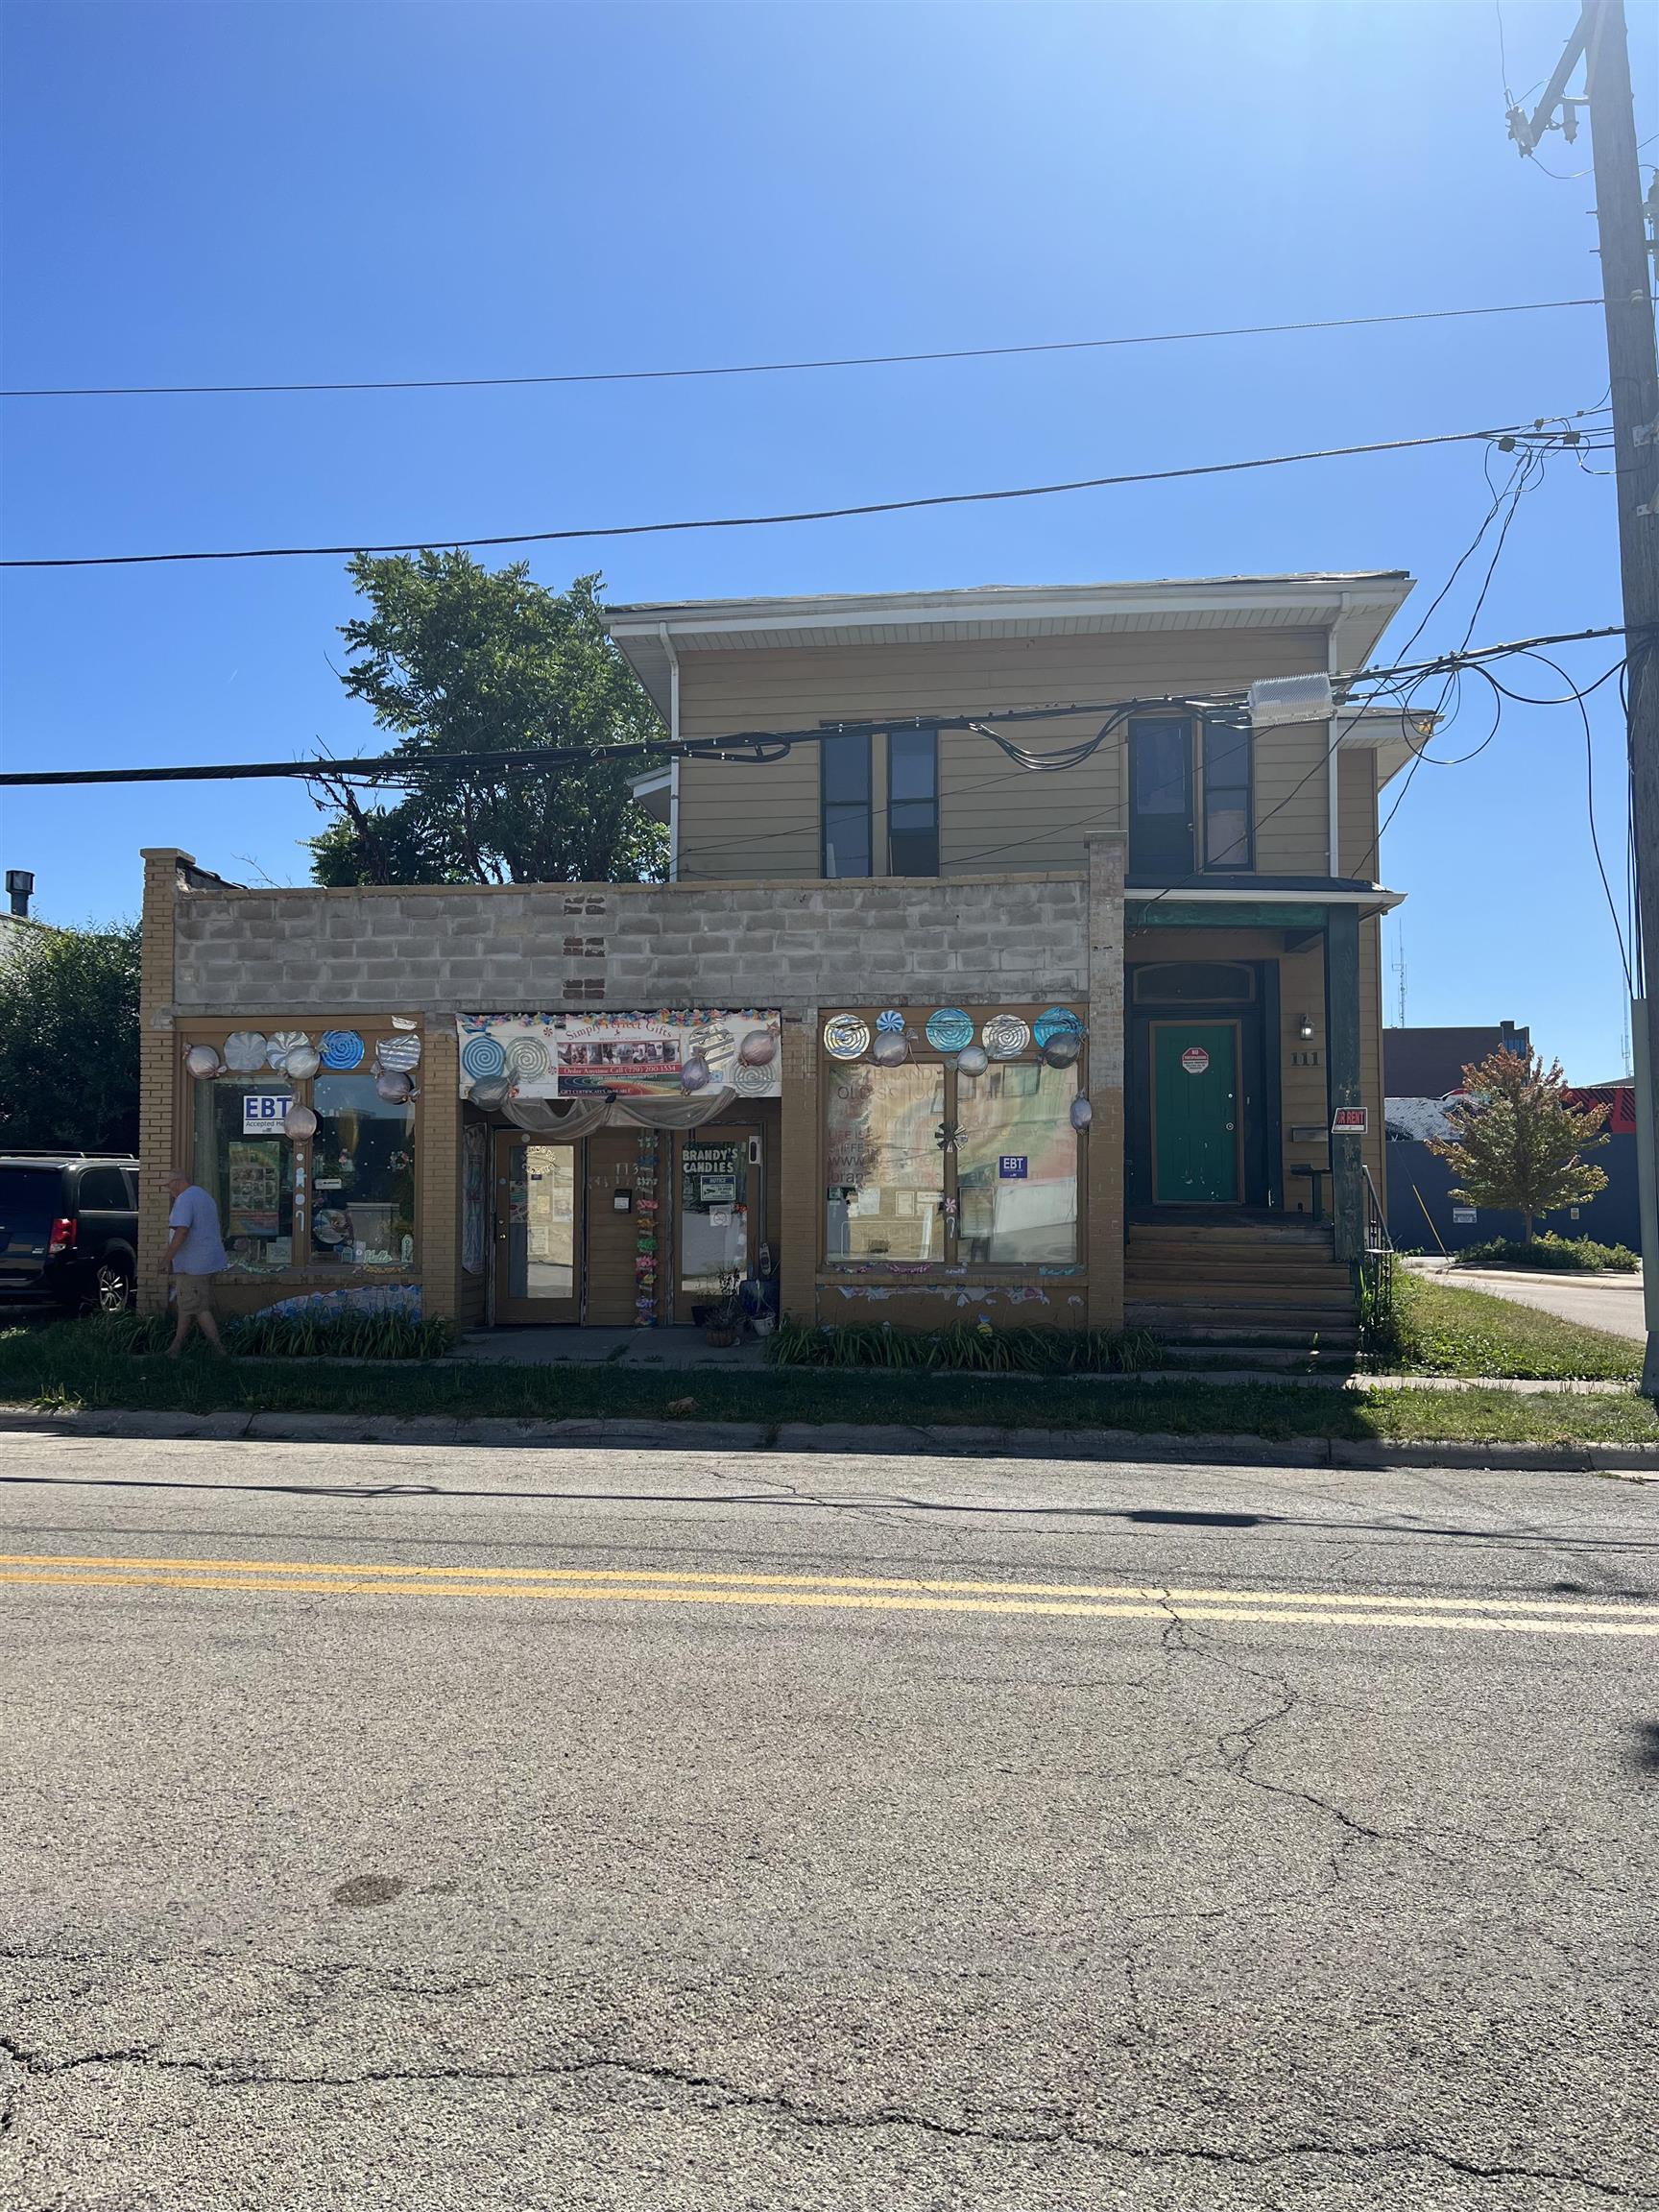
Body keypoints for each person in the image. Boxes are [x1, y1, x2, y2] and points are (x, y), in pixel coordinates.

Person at [164, 1171, 229, 1357]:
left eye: (169, 1185)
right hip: (206, 1261)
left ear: (178, 1182)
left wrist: (166, 1259)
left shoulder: (185, 1199)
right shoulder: (203, 1196)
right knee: (187, 1305)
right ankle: (175, 1348)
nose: (169, 1190)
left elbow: (181, 1231)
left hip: (194, 1264)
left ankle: (219, 1350)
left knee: (200, 1308)